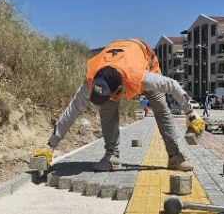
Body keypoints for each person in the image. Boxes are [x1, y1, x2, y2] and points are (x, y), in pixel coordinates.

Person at [34, 38, 204, 172]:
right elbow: (72, 111)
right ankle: (112, 158)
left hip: (146, 62)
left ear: (120, 89)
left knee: (160, 106)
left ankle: (175, 156)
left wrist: (191, 114)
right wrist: (50, 146)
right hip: (116, 63)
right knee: (107, 110)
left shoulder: (142, 77)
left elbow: (173, 85)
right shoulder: (91, 80)